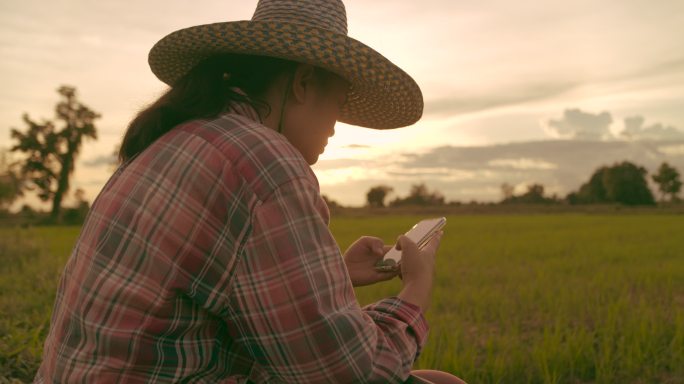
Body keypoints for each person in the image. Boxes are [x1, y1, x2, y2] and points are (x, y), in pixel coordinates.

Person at [34, 0, 466, 383]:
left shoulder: (175, 137)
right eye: (339, 100)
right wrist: (415, 290)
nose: (337, 125)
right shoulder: (264, 161)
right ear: (303, 83)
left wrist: (333, 273)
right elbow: (347, 372)